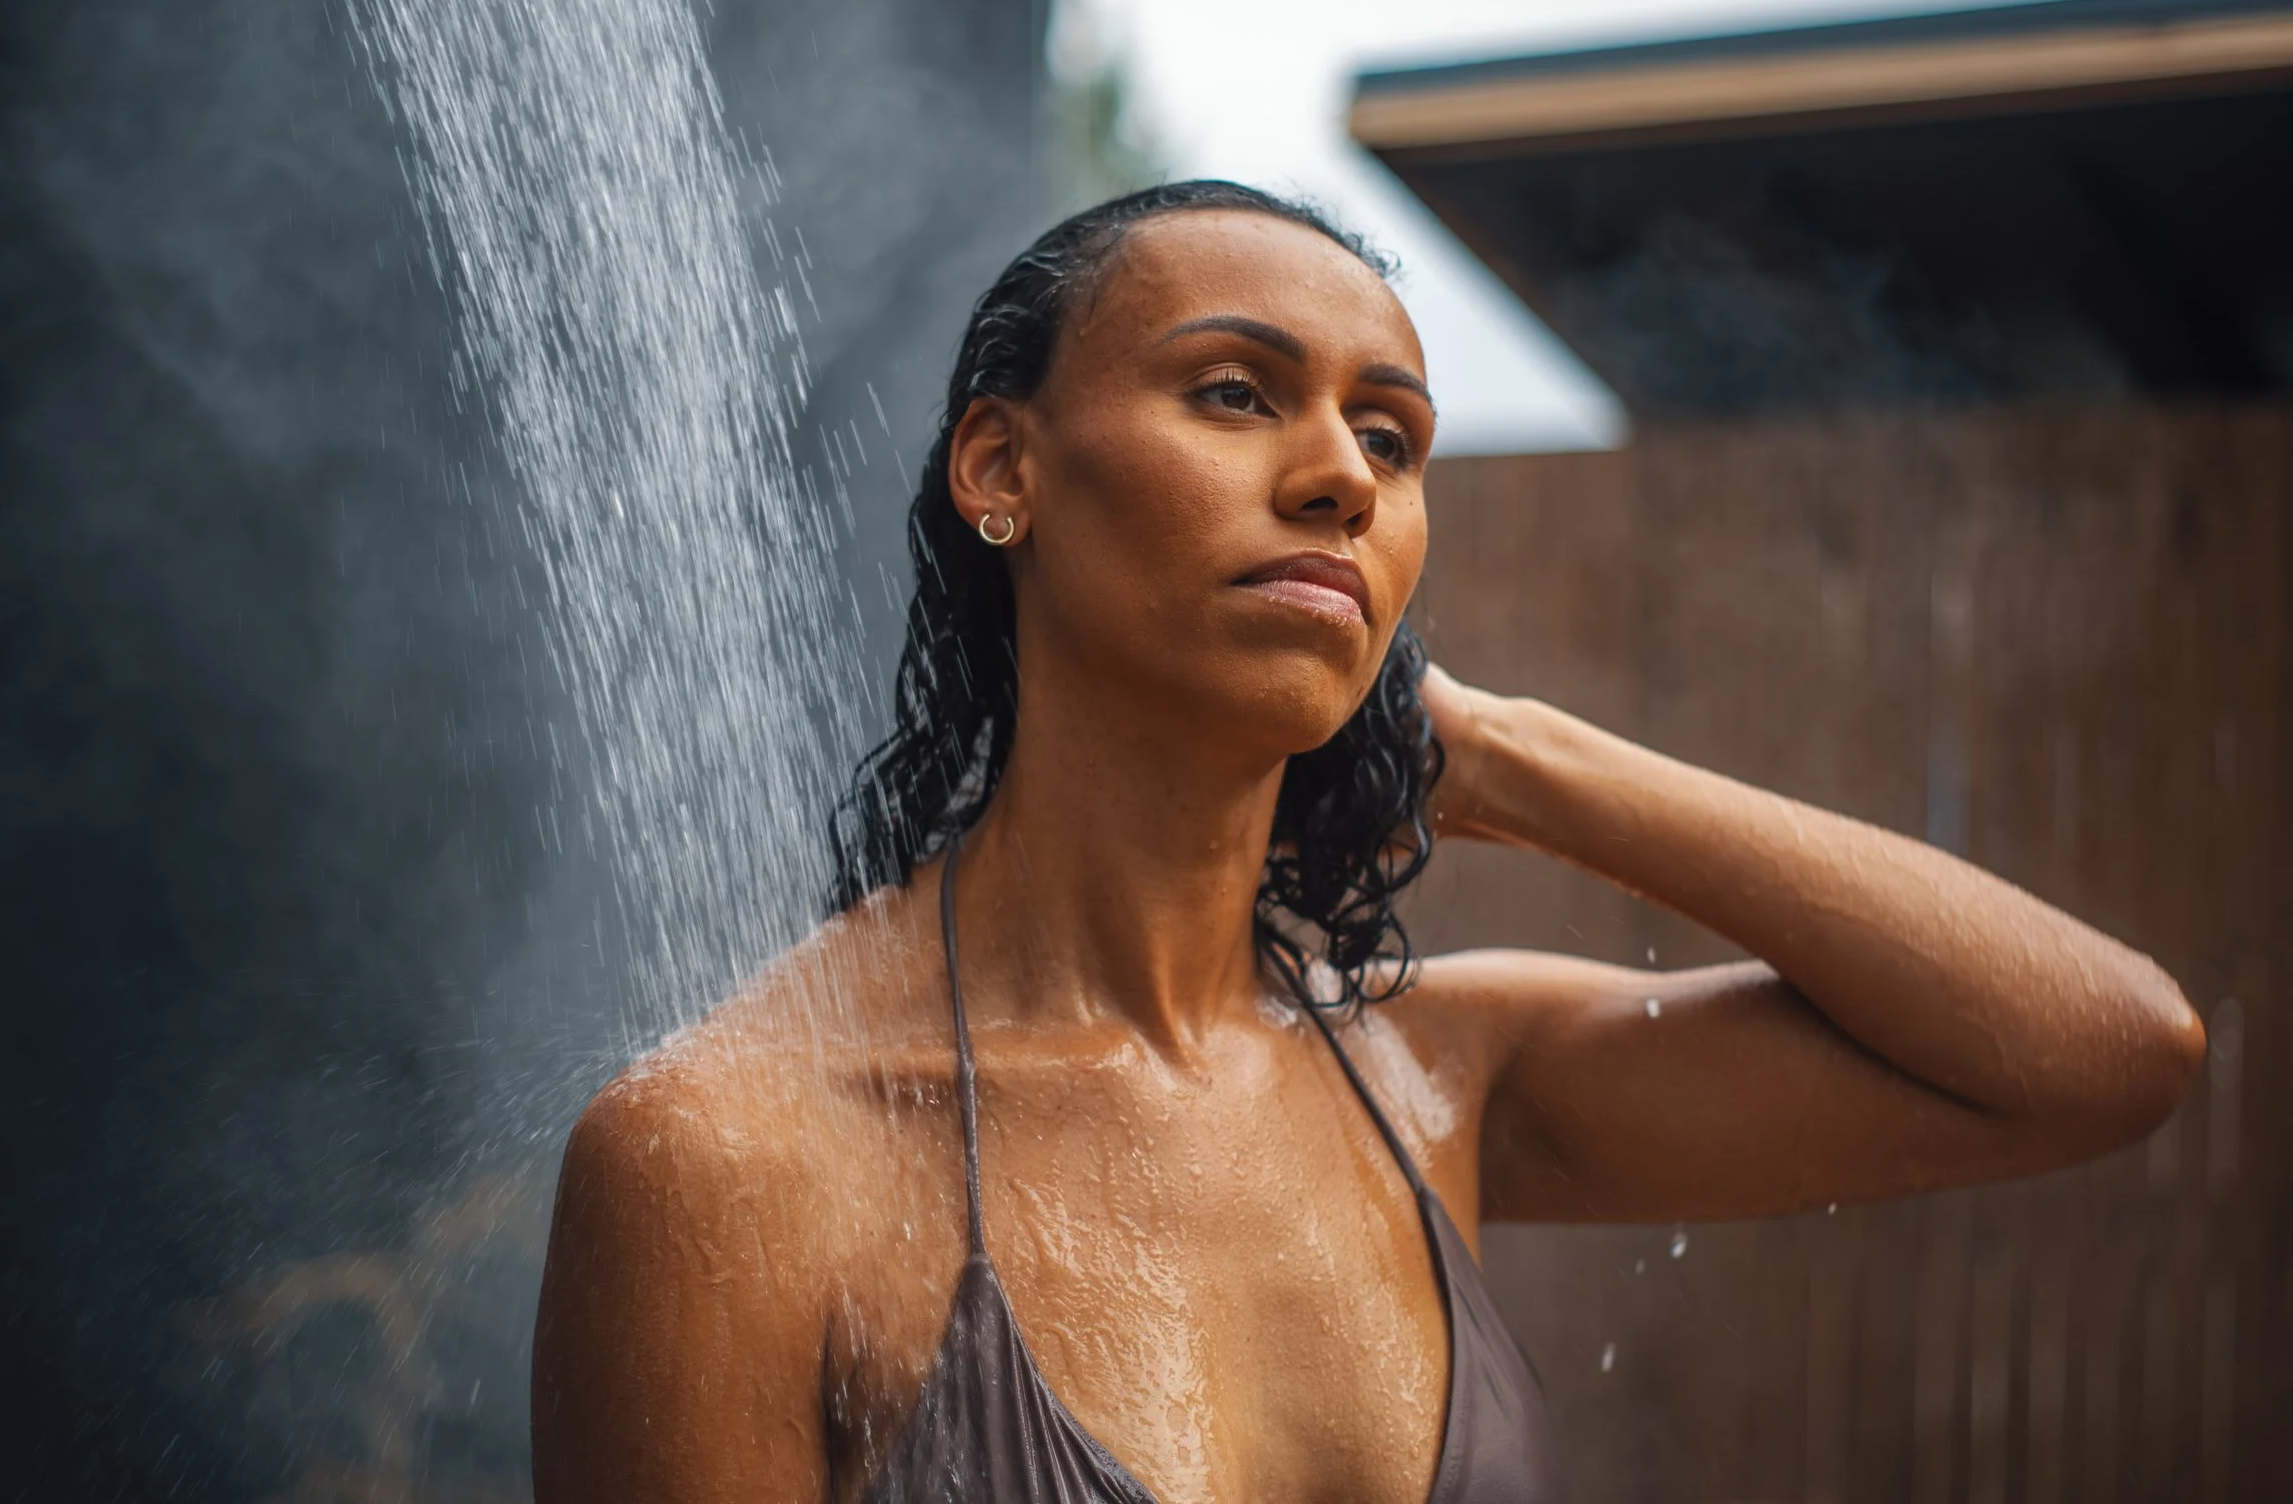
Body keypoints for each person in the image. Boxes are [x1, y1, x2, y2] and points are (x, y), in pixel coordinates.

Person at [530, 183, 2203, 1504]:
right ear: (1001, 467)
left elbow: (2108, 1052)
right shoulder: (733, 1160)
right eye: (1238, 392)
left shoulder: (1429, 1079)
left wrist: (1517, 758)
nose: (1339, 471)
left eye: (1392, 438)